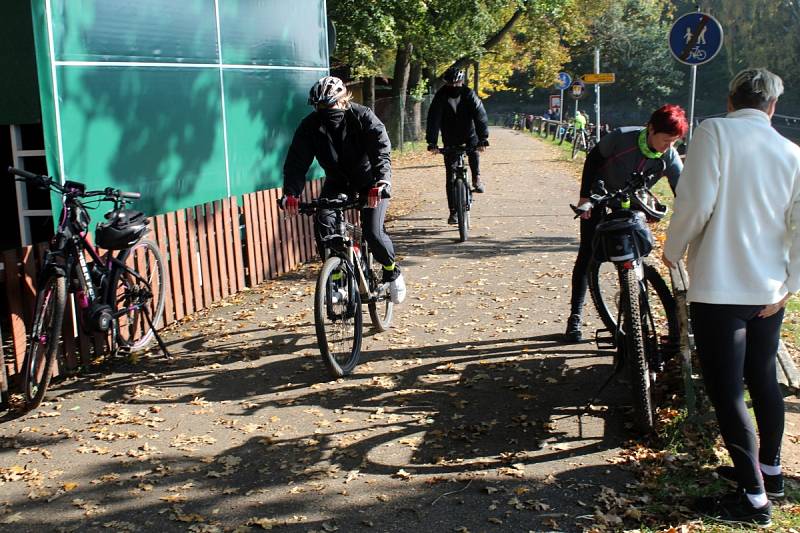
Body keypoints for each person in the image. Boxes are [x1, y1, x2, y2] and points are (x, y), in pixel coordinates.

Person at [663, 68, 800, 527]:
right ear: (773, 106)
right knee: (763, 380)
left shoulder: (714, 132)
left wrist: (672, 249)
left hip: (721, 283)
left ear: (730, 100)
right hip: (769, 289)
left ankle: (753, 500)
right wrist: (789, 286)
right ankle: (771, 474)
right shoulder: (791, 152)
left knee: (727, 391)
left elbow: (696, 201)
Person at [564, 104, 688, 342]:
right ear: (651, 129)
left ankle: (634, 317)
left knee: (636, 256)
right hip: (601, 197)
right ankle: (575, 318)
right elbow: (593, 160)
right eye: (666, 140)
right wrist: (585, 197)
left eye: (674, 142)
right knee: (587, 255)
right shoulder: (622, 137)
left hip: (632, 204)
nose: (669, 147)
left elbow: (682, 191)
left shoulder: (668, 155)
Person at [279, 76, 406, 304]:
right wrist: (291, 193)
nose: (326, 110)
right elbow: (296, 163)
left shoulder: (362, 116)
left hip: (370, 182)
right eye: (320, 106)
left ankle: (391, 271)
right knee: (324, 224)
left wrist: (382, 182)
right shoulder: (310, 126)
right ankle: (336, 281)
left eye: (330, 105)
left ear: (342, 100)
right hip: (337, 182)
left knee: (372, 232)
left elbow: (381, 150)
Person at [426, 67, 490, 224]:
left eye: (457, 83)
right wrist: (432, 142)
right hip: (449, 137)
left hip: (469, 134)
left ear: (462, 82)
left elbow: (480, 116)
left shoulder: (469, 94)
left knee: (474, 150)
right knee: (450, 175)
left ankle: (476, 178)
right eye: (451, 83)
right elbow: (433, 119)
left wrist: (483, 138)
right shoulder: (440, 96)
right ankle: (453, 212)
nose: (454, 86)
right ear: (446, 83)